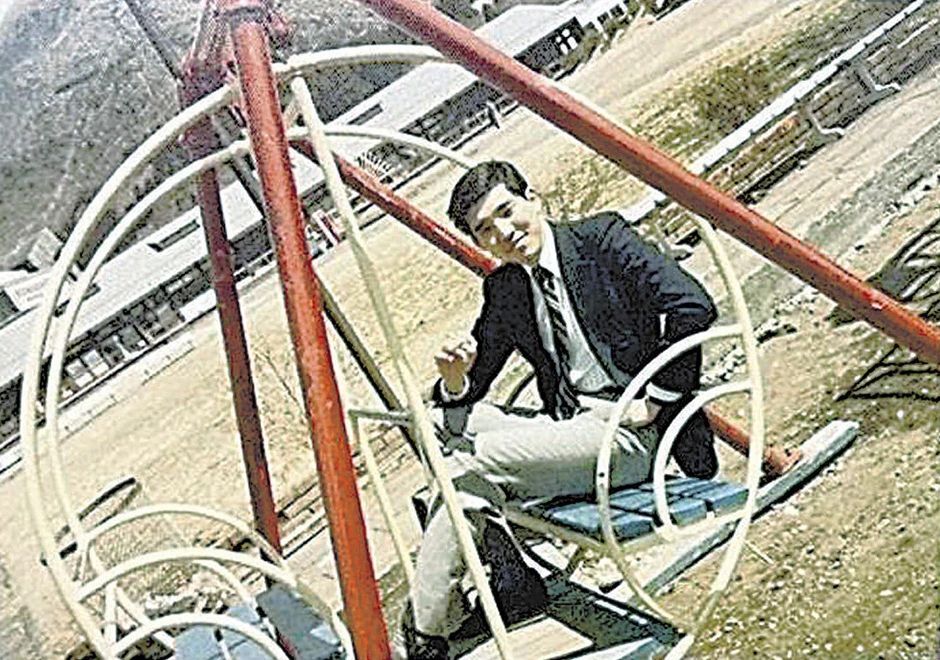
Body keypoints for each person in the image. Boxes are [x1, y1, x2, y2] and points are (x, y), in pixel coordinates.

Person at [398, 160, 718, 658]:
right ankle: (504, 575)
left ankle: (428, 634)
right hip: (569, 429)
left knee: (466, 471)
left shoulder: (601, 239)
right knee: (432, 424)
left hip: (632, 436)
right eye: (485, 229)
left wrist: (658, 400)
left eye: (507, 211)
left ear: (533, 197)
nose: (504, 232)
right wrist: (456, 379)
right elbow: (474, 384)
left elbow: (692, 306)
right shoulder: (506, 288)